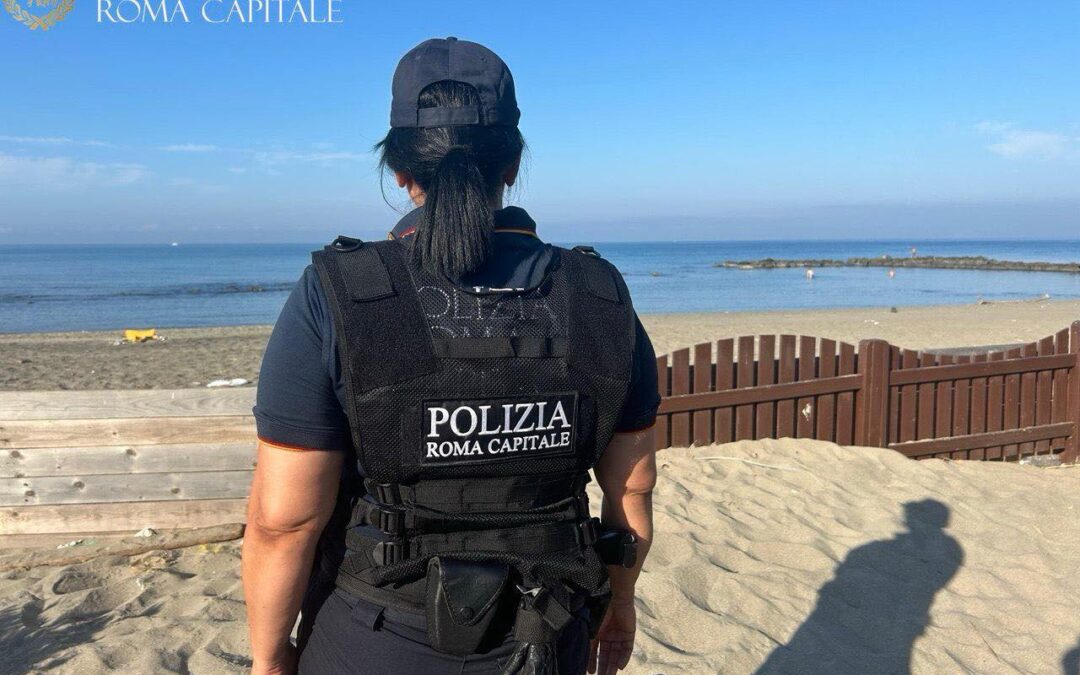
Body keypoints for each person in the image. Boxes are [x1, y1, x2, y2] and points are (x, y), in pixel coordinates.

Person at [242, 37, 661, 675]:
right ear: (513, 164)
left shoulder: (344, 294)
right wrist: (620, 601)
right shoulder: (598, 295)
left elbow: (285, 521)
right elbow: (631, 488)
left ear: (400, 171)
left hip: (375, 635)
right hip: (548, 631)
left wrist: (269, 659)